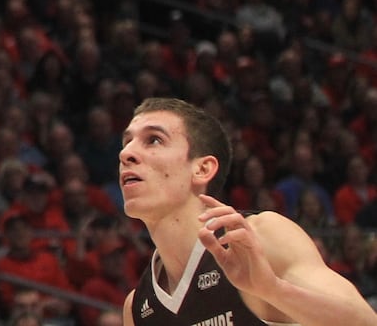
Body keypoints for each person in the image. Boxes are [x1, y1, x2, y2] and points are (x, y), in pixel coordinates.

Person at [118, 96, 377, 326]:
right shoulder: (138, 308)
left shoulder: (261, 236)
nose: (126, 153)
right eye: (127, 142)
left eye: (153, 140)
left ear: (202, 169)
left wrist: (272, 289)